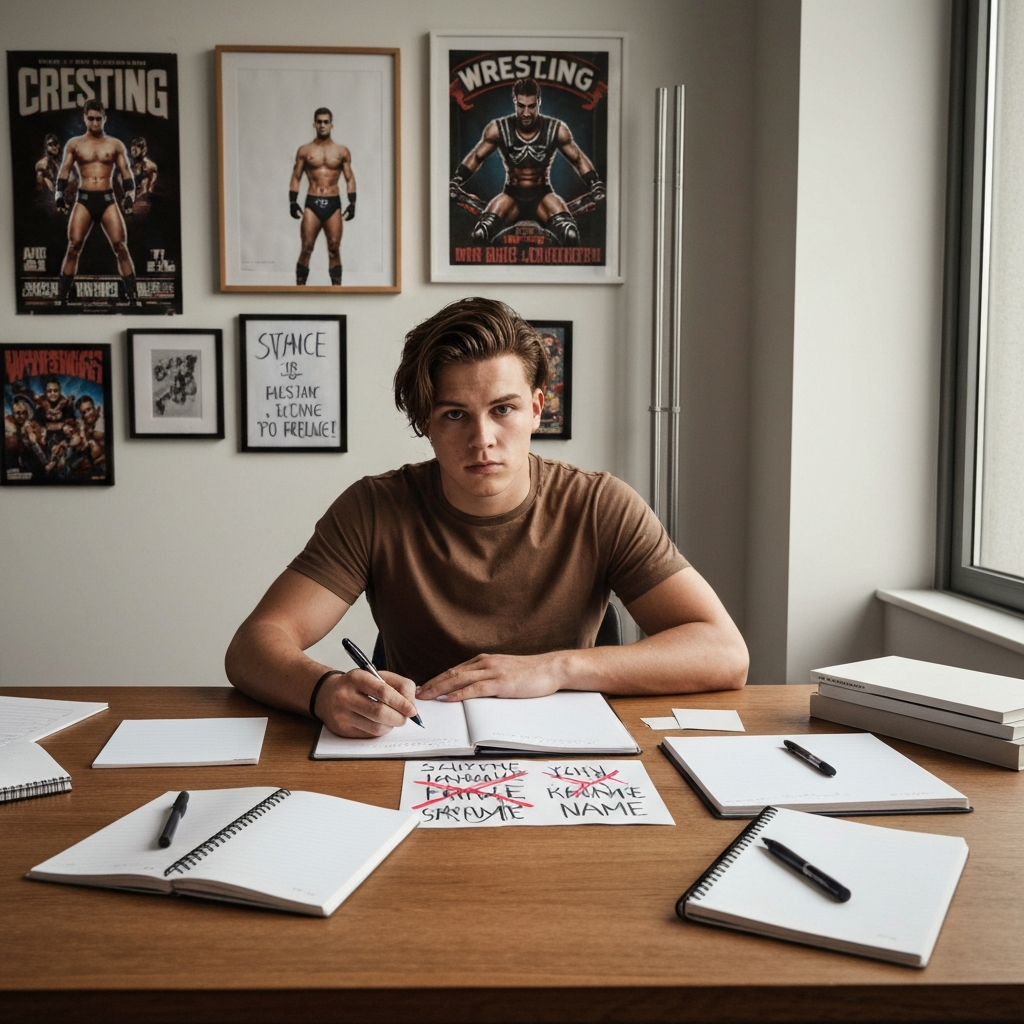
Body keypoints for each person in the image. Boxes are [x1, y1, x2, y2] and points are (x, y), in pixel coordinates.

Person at [226, 298, 748, 740]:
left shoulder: (599, 504)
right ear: (424, 422)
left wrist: (556, 667)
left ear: (537, 409)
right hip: (418, 748)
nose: (483, 438)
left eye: (503, 409)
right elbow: (254, 645)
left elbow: (724, 652)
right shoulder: (374, 508)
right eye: (455, 414)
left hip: (571, 751)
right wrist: (322, 692)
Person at [449, 78, 604, 245]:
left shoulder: (556, 129)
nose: (526, 113)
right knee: (481, 233)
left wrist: (594, 182)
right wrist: (457, 179)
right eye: (521, 106)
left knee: (570, 234)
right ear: (515, 101)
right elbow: (476, 157)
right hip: (511, 197)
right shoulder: (498, 128)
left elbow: (578, 159)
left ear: (538, 102)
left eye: (531, 106)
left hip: (543, 197)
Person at [54, 99, 137, 307]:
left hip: (107, 198)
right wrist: (59, 193)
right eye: (90, 118)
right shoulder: (75, 144)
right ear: (84, 118)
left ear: (104, 118)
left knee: (120, 246)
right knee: (73, 246)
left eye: (98, 118)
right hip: (84, 198)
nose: (94, 122)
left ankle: (134, 298)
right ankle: (61, 297)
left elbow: (126, 173)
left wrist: (129, 195)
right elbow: (64, 170)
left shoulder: (115, 144)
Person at [288, 107, 356, 287]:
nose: (323, 125)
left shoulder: (342, 151)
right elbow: (296, 176)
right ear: (314, 124)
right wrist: (292, 202)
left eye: (326, 122)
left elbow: (349, 177)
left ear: (331, 125)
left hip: (333, 202)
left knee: (334, 248)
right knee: (307, 247)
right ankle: (299, 291)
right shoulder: (305, 150)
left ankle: (337, 291)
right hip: (313, 201)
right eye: (319, 122)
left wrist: (352, 203)